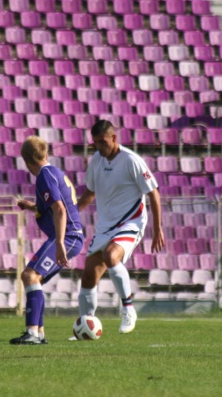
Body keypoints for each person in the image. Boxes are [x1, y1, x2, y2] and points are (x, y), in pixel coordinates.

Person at [76, 120, 165, 334]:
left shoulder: (131, 160)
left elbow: (153, 193)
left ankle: (128, 309)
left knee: (111, 255)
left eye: (102, 141)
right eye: (95, 143)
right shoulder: (97, 161)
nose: (99, 146)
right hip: (105, 226)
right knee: (88, 276)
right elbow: (90, 192)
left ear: (114, 138)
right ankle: (86, 325)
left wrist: (157, 228)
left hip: (130, 222)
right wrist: (72, 212)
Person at [9, 136, 84, 345]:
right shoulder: (53, 172)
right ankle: (39, 333)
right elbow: (56, 204)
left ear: (26, 159)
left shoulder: (45, 175)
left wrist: (59, 243)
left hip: (68, 236)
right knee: (35, 279)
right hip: (71, 236)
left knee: (29, 275)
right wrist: (33, 206)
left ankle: (32, 333)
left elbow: (59, 209)